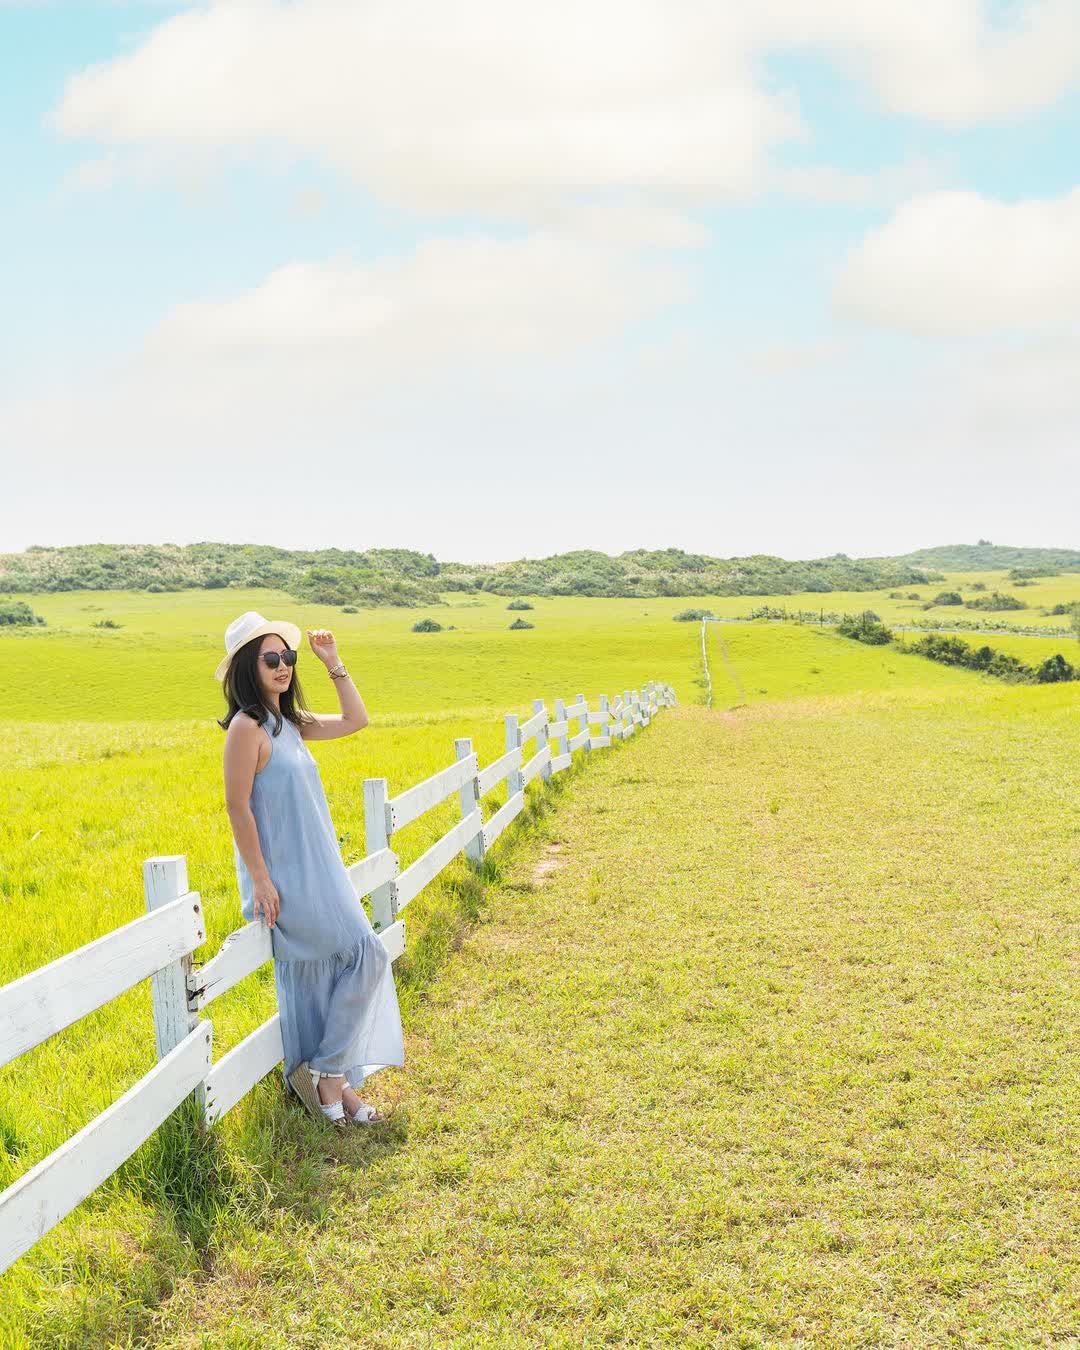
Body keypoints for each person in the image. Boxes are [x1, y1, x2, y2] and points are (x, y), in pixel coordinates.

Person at [216, 610, 404, 1128]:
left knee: (351, 961)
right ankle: (328, 1073)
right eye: (270, 659)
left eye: (288, 656)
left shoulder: (289, 724)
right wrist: (260, 880)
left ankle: (332, 1079)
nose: (283, 666)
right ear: (247, 668)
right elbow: (237, 807)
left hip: (319, 867)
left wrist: (332, 662)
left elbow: (356, 720)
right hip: (285, 877)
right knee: (366, 953)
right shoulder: (247, 728)